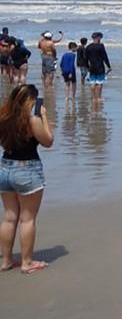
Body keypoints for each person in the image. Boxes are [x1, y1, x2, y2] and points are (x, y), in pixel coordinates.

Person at [0, 84, 54, 275]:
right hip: (27, 168)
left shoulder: (4, 117)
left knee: (9, 216)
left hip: (5, 166)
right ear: (30, 101)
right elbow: (48, 141)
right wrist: (45, 117)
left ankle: (6, 260)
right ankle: (26, 262)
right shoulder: (32, 121)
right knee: (27, 218)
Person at [84, 32, 111, 102]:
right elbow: (105, 57)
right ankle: (98, 97)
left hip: (91, 66)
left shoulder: (88, 47)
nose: (101, 39)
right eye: (100, 37)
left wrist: (87, 67)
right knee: (99, 82)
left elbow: (85, 58)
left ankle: (93, 98)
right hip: (99, 66)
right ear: (98, 37)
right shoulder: (101, 46)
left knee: (92, 82)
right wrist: (108, 66)